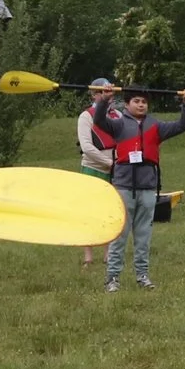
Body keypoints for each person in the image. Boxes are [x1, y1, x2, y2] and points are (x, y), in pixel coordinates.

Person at [88, 85, 185, 291]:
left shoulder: (155, 126)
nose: (141, 105)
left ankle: (142, 276)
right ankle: (112, 278)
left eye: (144, 102)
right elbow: (99, 121)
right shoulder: (119, 125)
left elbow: (183, 125)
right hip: (123, 186)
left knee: (143, 236)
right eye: (136, 101)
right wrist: (105, 99)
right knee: (120, 235)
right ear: (127, 104)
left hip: (147, 187)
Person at [75, 77, 117, 271]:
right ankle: (88, 256)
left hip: (115, 170)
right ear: (94, 95)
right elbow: (87, 147)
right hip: (93, 168)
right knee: (89, 212)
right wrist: (109, 162)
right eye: (100, 92)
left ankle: (109, 253)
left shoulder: (117, 115)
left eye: (109, 92)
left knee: (110, 211)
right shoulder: (86, 116)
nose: (106, 95)